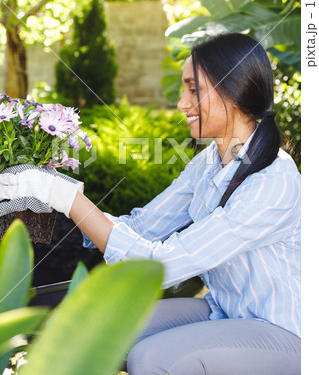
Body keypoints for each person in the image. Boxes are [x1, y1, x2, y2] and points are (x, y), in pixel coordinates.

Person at [0, 33, 300, 374]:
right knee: (104, 328)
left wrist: (67, 198)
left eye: (193, 89)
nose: (181, 104)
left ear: (233, 91)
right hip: (224, 309)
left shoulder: (271, 182)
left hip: (285, 331)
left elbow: (164, 266)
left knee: (152, 357)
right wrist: (47, 201)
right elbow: (142, 227)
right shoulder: (207, 164)